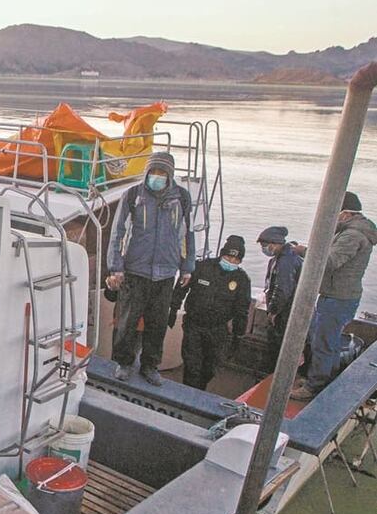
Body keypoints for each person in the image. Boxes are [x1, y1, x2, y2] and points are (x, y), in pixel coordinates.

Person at [106, 152, 196, 386]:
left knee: (157, 324)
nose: (157, 177)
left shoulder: (182, 198)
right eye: (153, 172)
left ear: (170, 175)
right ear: (147, 172)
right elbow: (118, 233)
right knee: (126, 321)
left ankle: (150, 365)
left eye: (162, 173)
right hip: (135, 270)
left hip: (166, 272)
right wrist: (116, 267)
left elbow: (187, 234)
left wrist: (187, 266)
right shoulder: (133, 195)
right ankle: (124, 362)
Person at [291, 192, 377, 401]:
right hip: (334, 296)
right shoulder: (350, 231)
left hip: (338, 299)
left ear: (346, 213)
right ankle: (315, 378)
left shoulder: (352, 236)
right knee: (319, 338)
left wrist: (303, 251)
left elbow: (329, 262)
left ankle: (315, 386)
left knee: (324, 343)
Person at [169, 235, 252, 390]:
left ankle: (199, 390)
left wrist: (238, 335)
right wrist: (173, 308)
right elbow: (181, 287)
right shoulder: (201, 267)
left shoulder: (242, 280)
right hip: (194, 325)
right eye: (228, 257)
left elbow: (242, 310)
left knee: (209, 368)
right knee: (192, 365)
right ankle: (189, 396)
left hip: (218, 330)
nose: (231, 262)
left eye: (236, 260)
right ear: (222, 254)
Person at [256, 226, 303, 371]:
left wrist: (273, 311)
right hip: (288, 311)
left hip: (286, 313)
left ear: (274, 244)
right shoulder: (285, 257)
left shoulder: (286, 261)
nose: (264, 249)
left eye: (265, 245)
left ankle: (274, 375)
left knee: (279, 348)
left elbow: (282, 289)